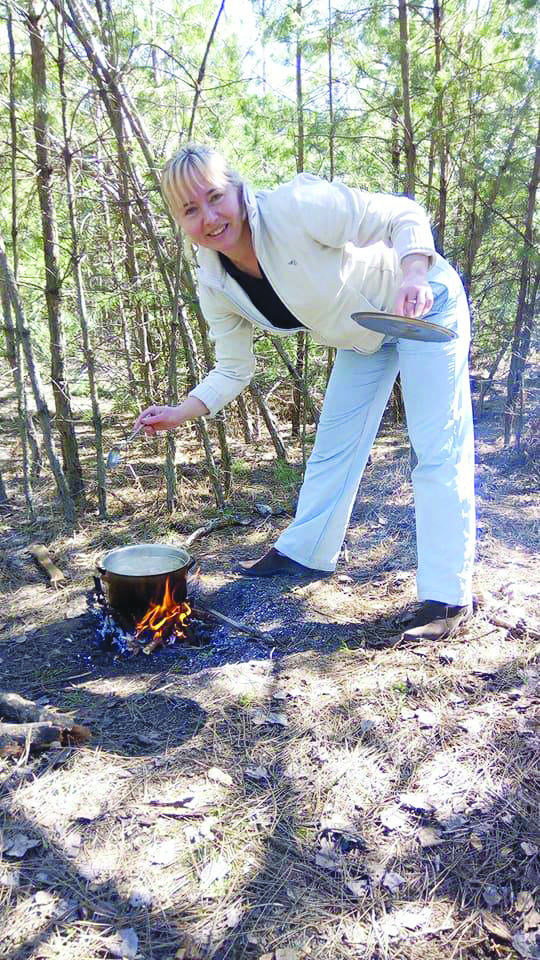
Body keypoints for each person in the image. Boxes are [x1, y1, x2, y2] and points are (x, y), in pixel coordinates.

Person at [134, 144, 475, 642]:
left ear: (238, 187)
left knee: (435, 449)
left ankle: (447, 596)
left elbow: (402, 213)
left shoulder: (296, 206)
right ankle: (306, 553)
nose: (208, 217)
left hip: (424, 305)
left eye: (215, 197)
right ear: (178, 219)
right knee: (333, 448)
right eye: (190, 209)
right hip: (362, 333)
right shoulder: (214, 280)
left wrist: (415, 274)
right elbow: (232, 368)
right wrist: (180, 412)